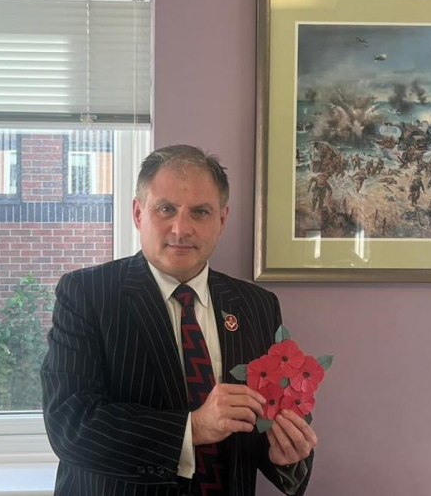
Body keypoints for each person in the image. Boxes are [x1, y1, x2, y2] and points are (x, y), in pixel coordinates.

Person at [41, 145, 316, 496]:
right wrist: (194, 428)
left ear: (221, 220)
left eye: (200, 212)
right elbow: (71, 424)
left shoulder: (257, 305)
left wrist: (286, 457)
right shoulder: (87, 294)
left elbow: (262, 424)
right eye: (166, 209)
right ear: (138, 213)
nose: (181, 228)